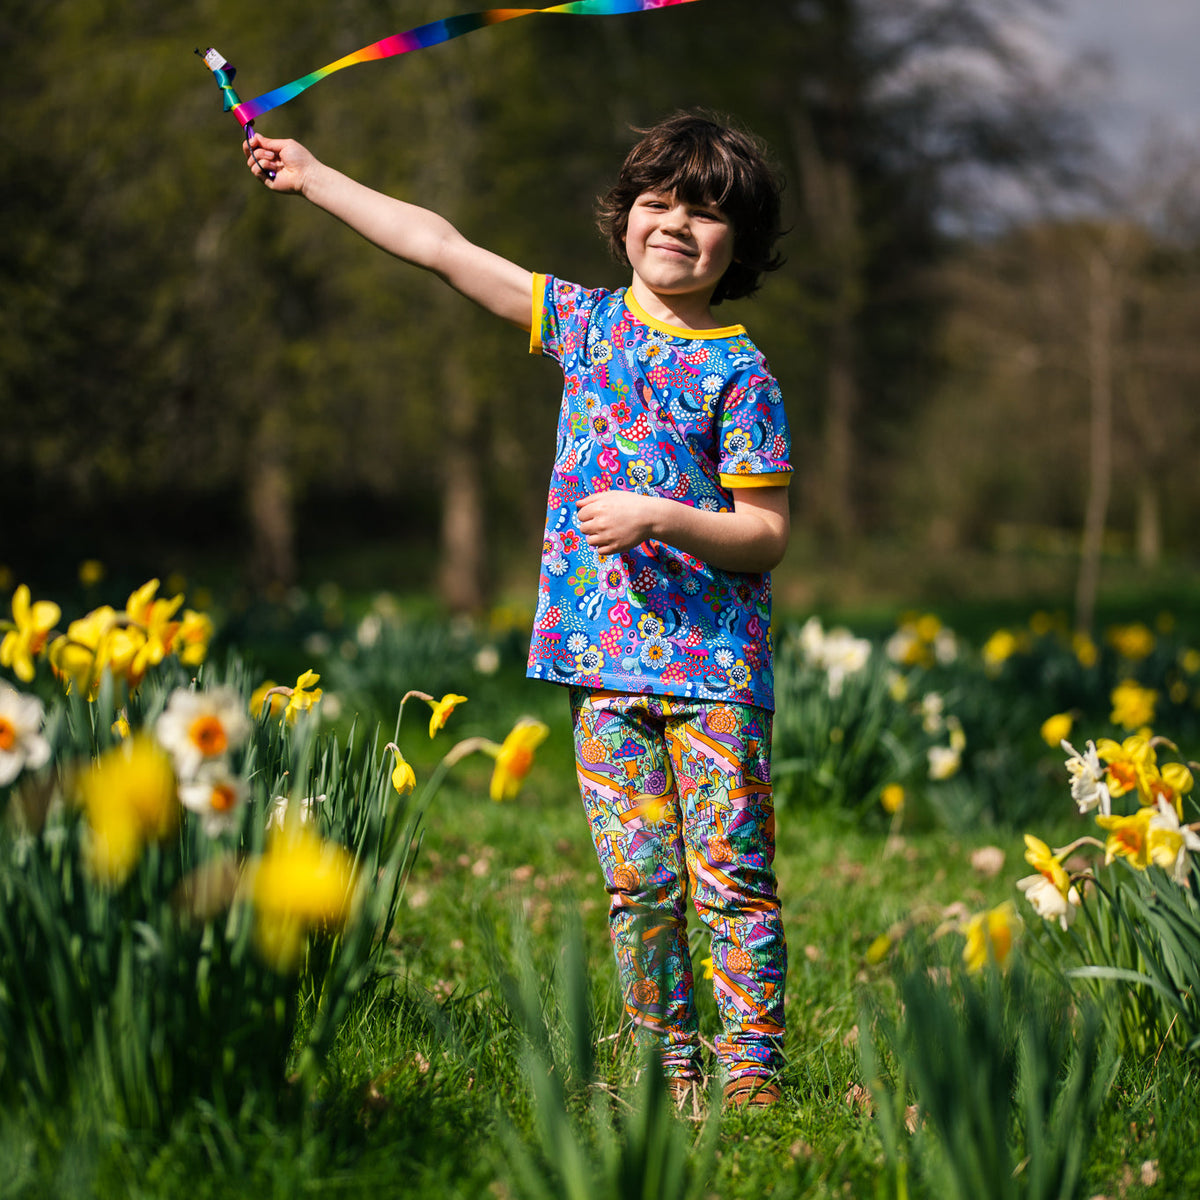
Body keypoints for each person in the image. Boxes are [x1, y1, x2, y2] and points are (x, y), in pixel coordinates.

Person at [244, 110, 791, 1107]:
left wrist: (663, 516)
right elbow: (441, 245)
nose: (676, 225)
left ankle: (753, 1081)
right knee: (641, 888)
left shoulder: (742, 373)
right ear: (624, 218)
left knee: (731, 883)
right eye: (659, 204)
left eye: (705, 214)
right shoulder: (582, 326)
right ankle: (667, 1072)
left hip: (714, 670)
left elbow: (766, 532)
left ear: (739, 246)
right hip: (602, 666)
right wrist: (317, 177)